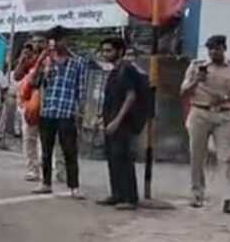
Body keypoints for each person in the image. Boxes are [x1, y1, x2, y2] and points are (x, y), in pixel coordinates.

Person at [180, 35, 230, 214]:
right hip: (199, 113)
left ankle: (229, 199)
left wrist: (224, 97)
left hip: (224, 115)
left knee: (227, 157)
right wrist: (196, 80)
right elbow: (183, 92)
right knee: (197, 156)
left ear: (224, 49)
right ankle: (197, 194)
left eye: (217, 48)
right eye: (210, 49)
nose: (213, 52)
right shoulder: (197, 66)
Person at [31, 26, 87, 198]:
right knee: (46, 150)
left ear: (66, 41)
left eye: (59, 40)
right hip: (47, 111)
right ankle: (46, 183)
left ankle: (74, 187)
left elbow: (81, 89)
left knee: (69, 151)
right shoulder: (47, 61)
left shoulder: (78, 62)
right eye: (53, 40)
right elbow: (34, 82)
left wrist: (80, 113)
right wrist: (41, 61)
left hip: (67, 112)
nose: (56, 44)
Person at [97, 37, 145, 210]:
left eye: (109, 50)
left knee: (123, 158)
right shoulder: (115, 71)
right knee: (113, 158)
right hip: (110, 120)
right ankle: (117, 194)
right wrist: (103, 118)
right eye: (104, 50)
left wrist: (117, 121)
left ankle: (129, 198)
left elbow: (130, 96)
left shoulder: (127, 69)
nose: (105, 54)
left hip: (123, 123)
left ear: (119, 51)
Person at [13, 40, 43, 181]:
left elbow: (35, 82)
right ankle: (33, 169)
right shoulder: (26, 63)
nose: (30, 51)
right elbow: (17, 76)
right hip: (28, 106)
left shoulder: (46, 61)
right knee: (29, 138)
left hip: (44, 104)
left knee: (45, 140)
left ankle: (48, 168)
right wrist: (22, 60)